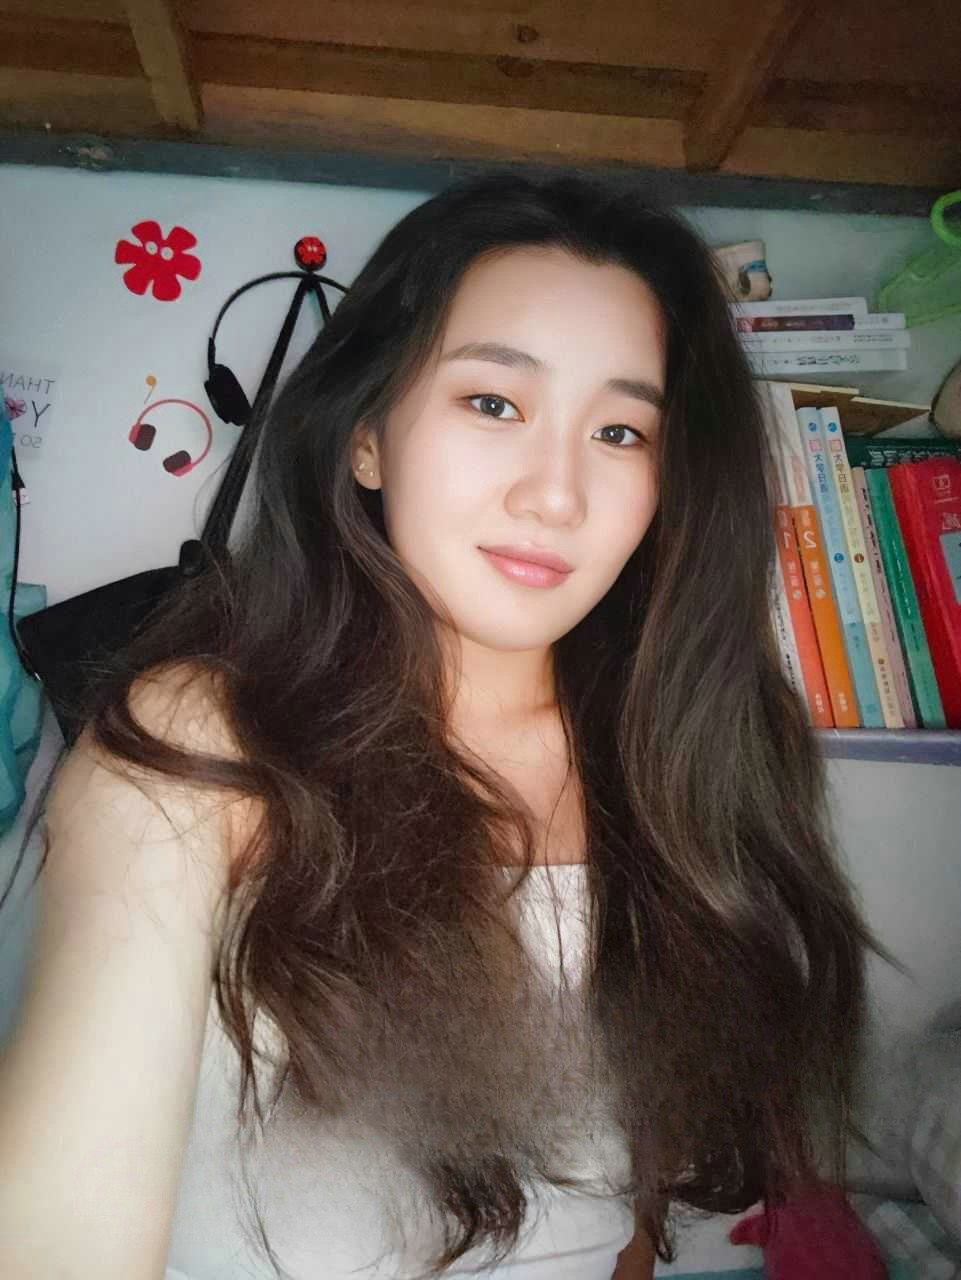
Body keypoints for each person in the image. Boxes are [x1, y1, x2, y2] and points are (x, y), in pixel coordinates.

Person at [0, 170, 876, 1280]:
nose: (554, 495)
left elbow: (622, 1216)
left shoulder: (688, 759)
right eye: (493, 403)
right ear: (367, 436)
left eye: (619, 430)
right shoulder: (206, 747)